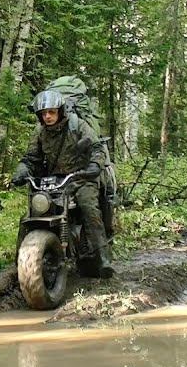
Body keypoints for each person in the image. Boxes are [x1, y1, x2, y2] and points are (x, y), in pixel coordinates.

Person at [10, 89, 113, 277]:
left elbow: (97, 148)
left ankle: (103, 258)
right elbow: (31, 158)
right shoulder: (40, 133)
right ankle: (18, 263)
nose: (47, 116)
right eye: (43, 113)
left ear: (60, 111)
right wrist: (21, 172)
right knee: (32, 212)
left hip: (81, 177)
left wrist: (94, 166)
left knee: (88, 206)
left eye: (51, 112)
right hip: (54, 179)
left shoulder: (78, 125)